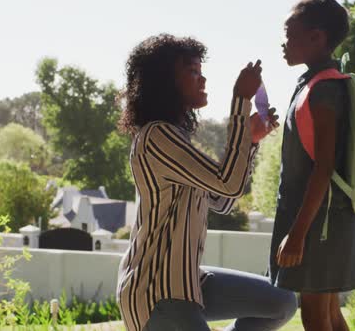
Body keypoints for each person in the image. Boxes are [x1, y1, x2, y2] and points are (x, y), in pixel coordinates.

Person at [116, 34, 297, 331]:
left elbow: (222, 200)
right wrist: (240, 102)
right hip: (156, 293)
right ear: (165, 82)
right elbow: (227, 184)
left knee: (281, 301)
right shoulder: (156, 137)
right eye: (192, 72)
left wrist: (250, 142)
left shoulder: (174, 139)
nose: (202, 79)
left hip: (189, 284)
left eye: (201, 71)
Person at [269, 0, 355, 330]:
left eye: (288, 33)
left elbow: (324, 167)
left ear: (315, 37)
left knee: (315, 314)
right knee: (328, 312)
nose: (283, 41)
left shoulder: (325, 89)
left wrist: (297, 234)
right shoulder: (314, 83)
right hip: (324, 219)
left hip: (318, 223)